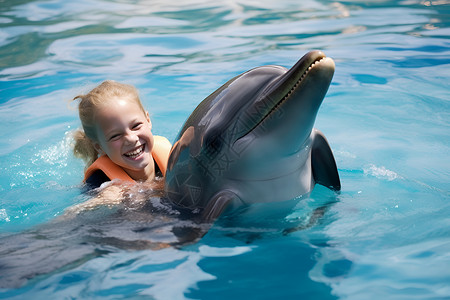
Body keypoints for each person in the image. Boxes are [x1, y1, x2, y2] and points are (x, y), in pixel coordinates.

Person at [67, 80, 171, 213]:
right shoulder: (101, 182)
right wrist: (103, 199)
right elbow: (73, 214)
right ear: (99, 147)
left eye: (136, 126)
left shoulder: (174, 157)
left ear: (148, 120)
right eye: (115, 136)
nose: (131, 139)